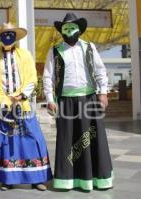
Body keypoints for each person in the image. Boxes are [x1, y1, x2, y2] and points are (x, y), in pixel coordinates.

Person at [43, 13, 113, 191]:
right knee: (67, 141)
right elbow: (47, 78)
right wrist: (50, 99)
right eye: (66, 28)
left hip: (89, 98)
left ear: (80, 30)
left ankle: (96, 178)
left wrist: (103, 93)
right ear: (61, 31)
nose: (69, 31)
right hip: (65, 101)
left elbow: (100, 70)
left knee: (92, 138)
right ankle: (68, 180)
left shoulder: (90, 47)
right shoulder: (55, 50)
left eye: (73, 27)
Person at [0, 22, 53, 191]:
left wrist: (20, 96)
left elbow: (32, 78)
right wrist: (3, 99)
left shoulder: (25, 55)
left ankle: (36, 178)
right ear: (0, 37)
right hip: (2, 107)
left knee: (32, 139)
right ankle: (7, 179)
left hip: (23, 105)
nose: (7, 37)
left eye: (10, 34)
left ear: (15, 36)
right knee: (4, 140)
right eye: (4, 35)